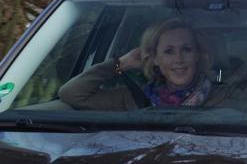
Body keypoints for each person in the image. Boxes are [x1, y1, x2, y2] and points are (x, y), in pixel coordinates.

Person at [59, 18, 212, 110]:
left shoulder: (222, 97)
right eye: (169, 51)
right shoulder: (133, 98)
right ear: (155, 58)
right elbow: (71, 94)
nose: (179, 59)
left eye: (186, 49)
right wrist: (119, 64)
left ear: (197, 55)